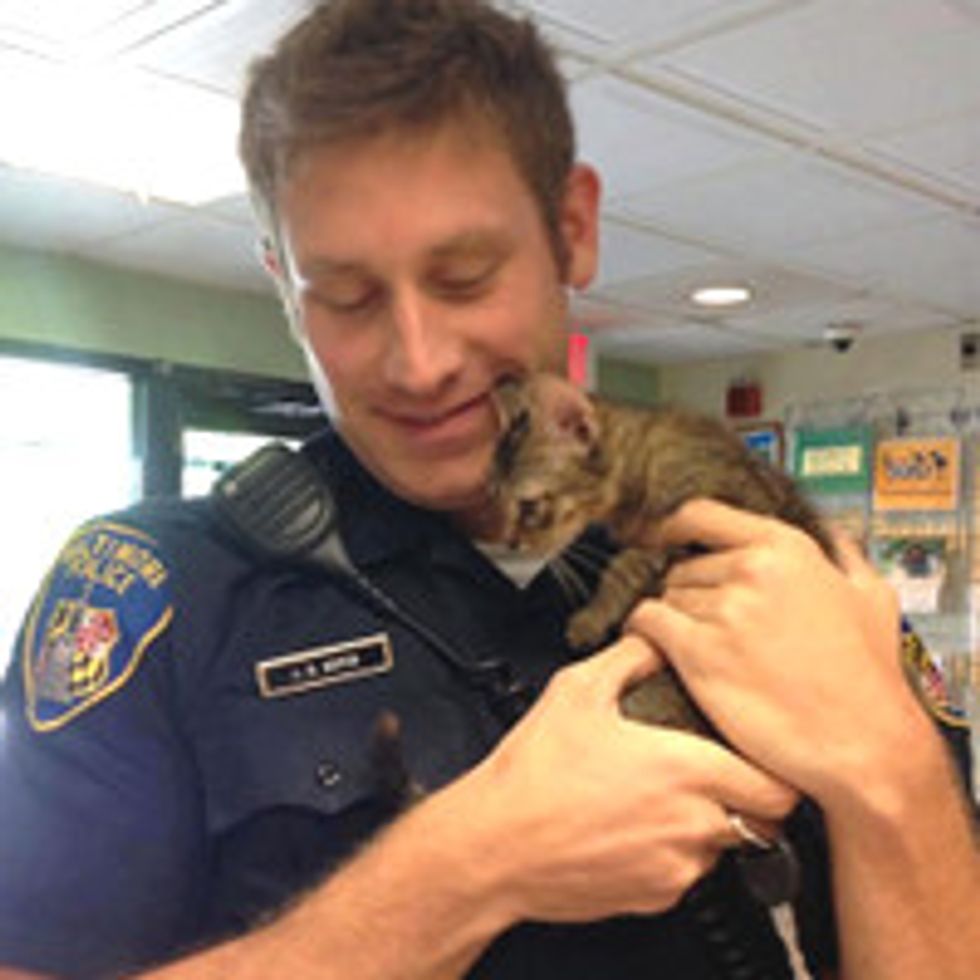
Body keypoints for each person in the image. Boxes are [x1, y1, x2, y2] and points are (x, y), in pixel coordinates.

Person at [0, 1, 977, 977]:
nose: (419, 363)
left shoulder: (767, 552)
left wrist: (888, 772)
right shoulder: (155, 593)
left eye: (464, 276)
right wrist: (467, 868)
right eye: (345, 296)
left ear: (572, 228)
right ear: (281, 286)